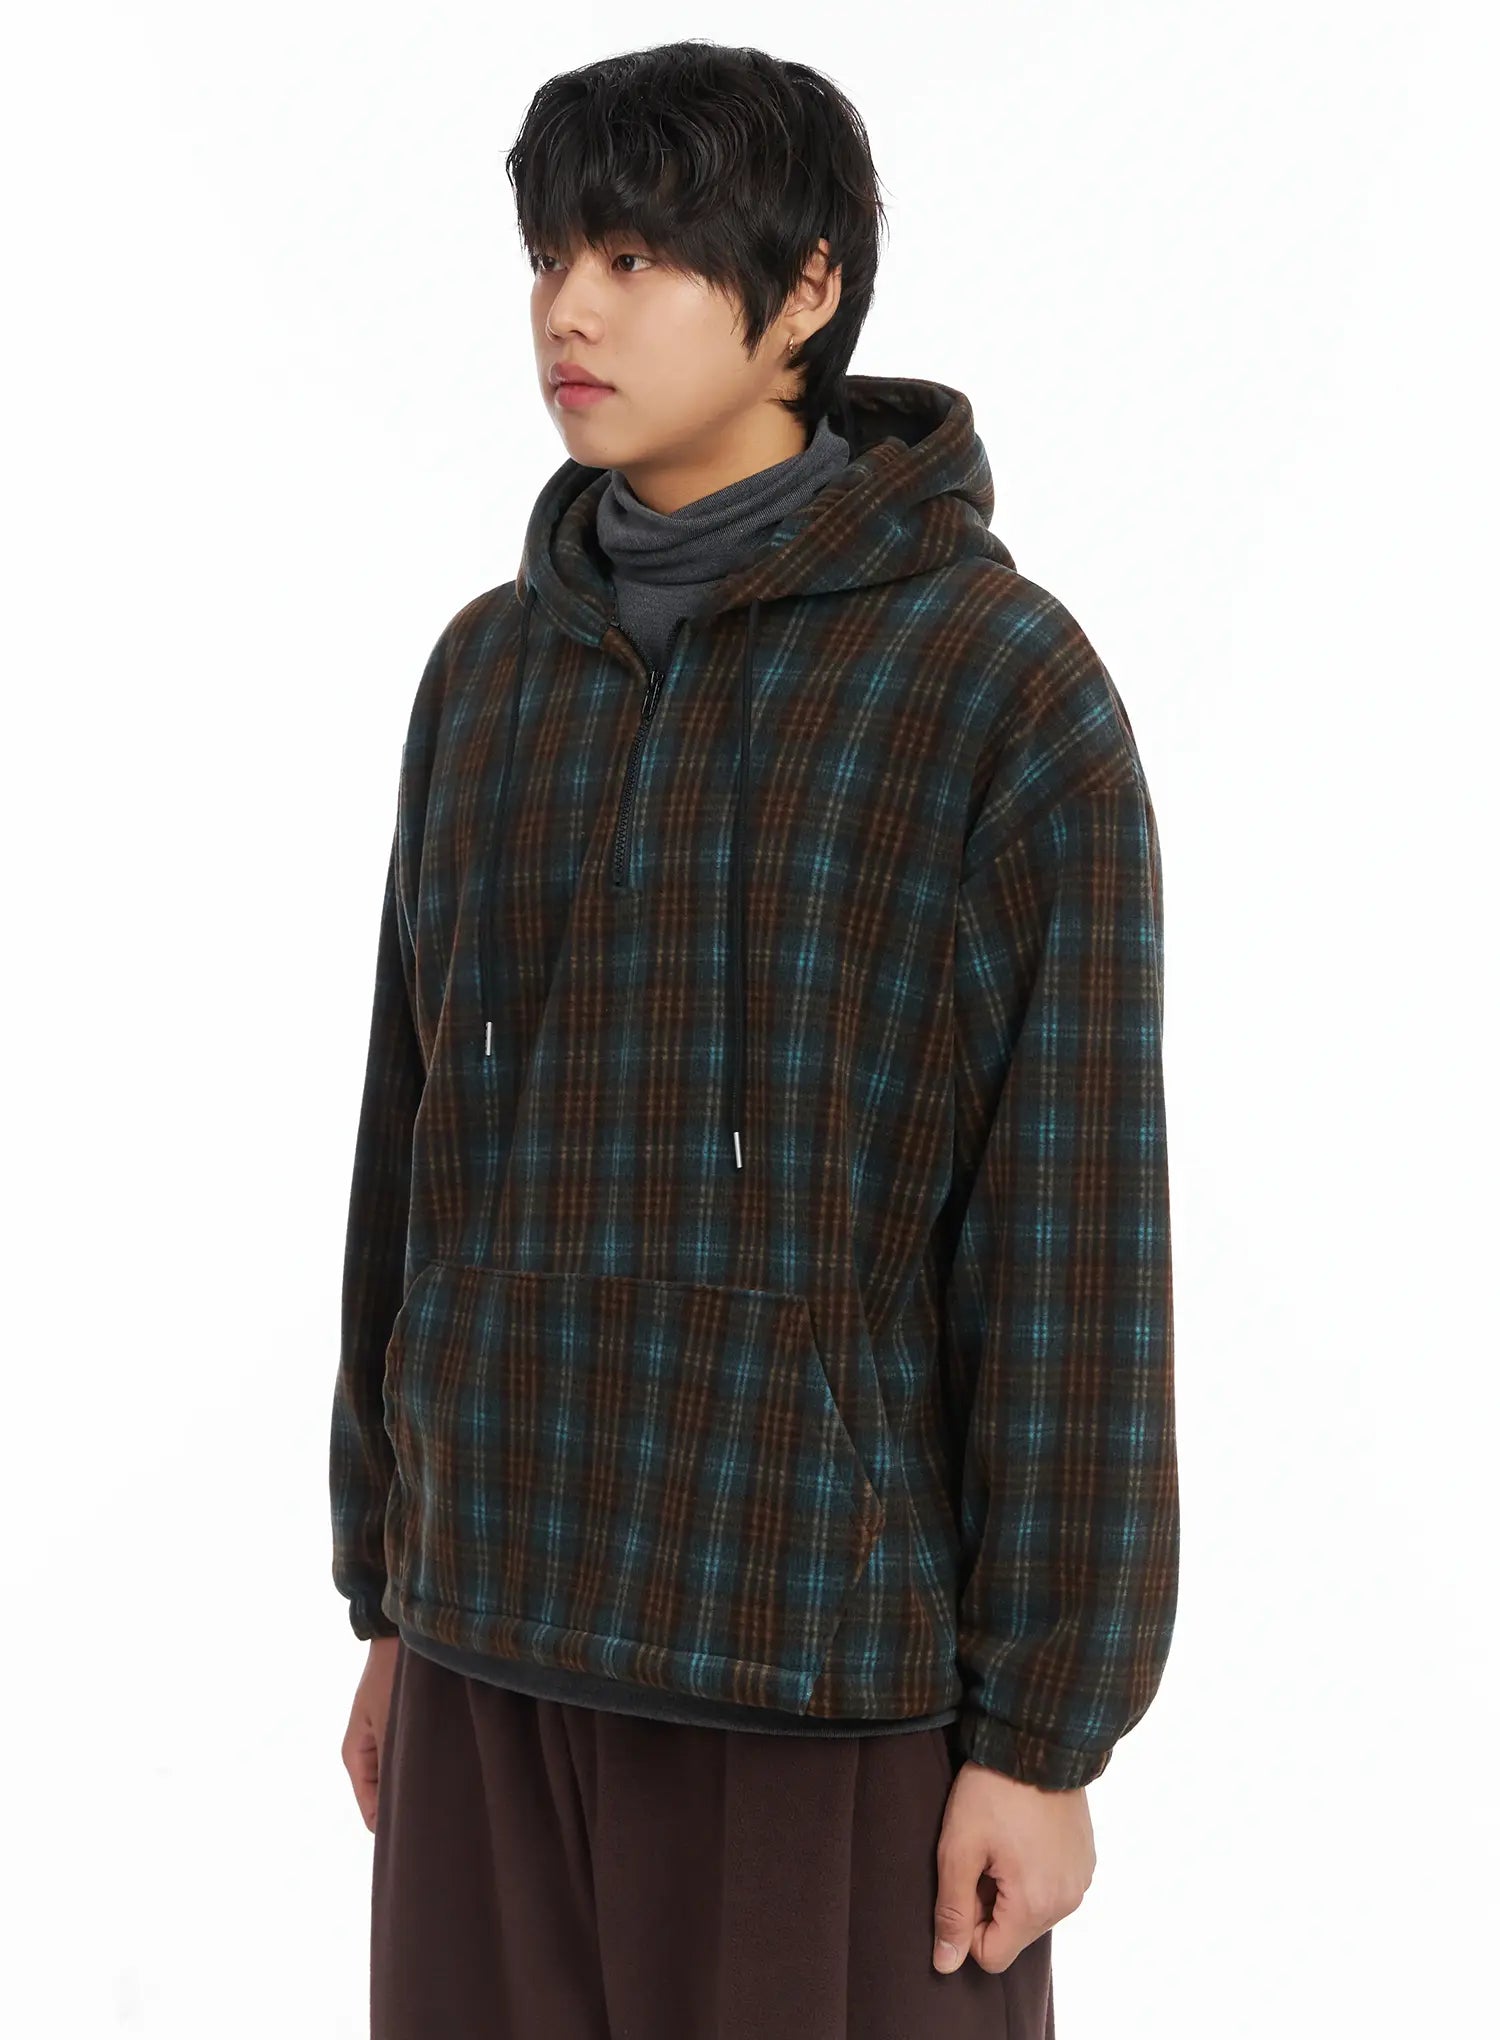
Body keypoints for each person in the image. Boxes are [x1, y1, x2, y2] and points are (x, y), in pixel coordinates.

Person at [329, 39, 1178, 2040]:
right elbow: (412, 1158)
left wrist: (1045, 1733)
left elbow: (1070, 1234)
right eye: (551, 257)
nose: (570, 309)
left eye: (633, 257)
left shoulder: (994, 685)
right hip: (489, 1636)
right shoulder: (488, 675)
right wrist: (394, 1596)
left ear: (807, 289)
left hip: (817, 1663)